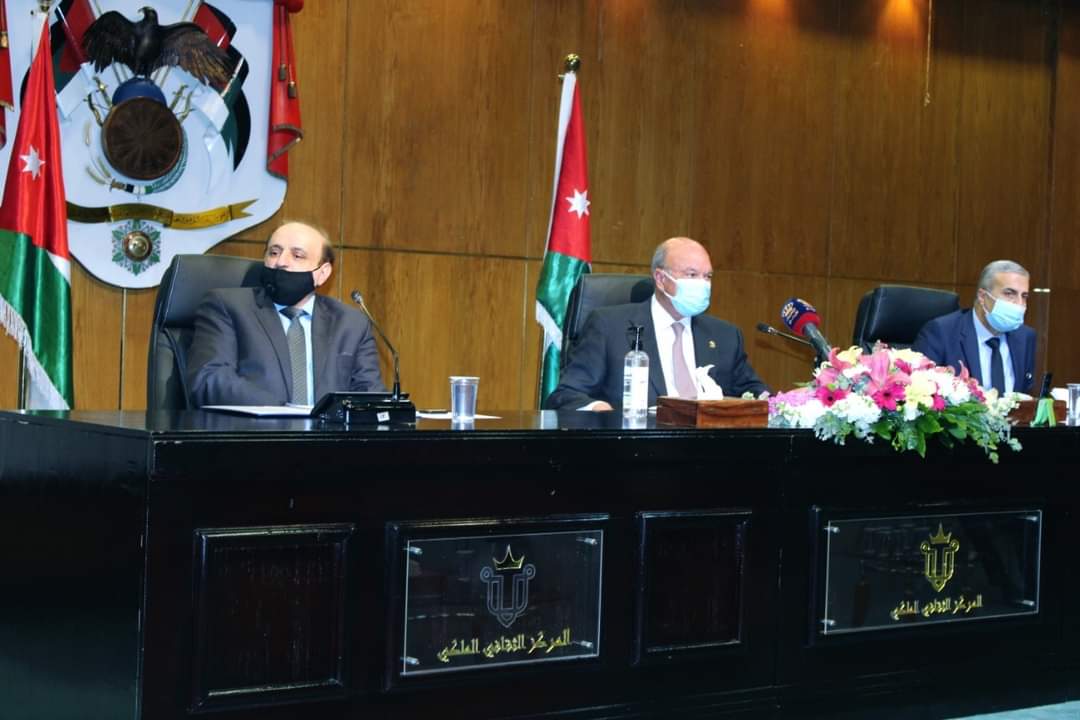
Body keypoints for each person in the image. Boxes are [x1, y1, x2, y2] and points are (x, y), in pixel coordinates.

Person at [544, 237, 768, 411]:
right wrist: (602, 411)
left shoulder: (724, 335)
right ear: (661, 279)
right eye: (692, 275)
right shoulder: (609, 327)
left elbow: (756, 393)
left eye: (707, 276)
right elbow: (567, 394)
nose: (703, 284)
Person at [186, 221, 387, 407]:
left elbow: (370, 395)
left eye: (297, 256)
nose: (281, 262)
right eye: (274, 253)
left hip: (326, 434)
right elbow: (209, 379)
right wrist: (284, 411)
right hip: (254, 432)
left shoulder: (350, 324)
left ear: (322, 273)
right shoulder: (228, 307)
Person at [913, 259, 1035, 395]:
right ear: (982, 296)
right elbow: (922, 394)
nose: (1019, 303)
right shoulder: (941, 333)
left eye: (1024, 296)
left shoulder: (1025, 337)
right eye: (1009, 293)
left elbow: (1025, 394)